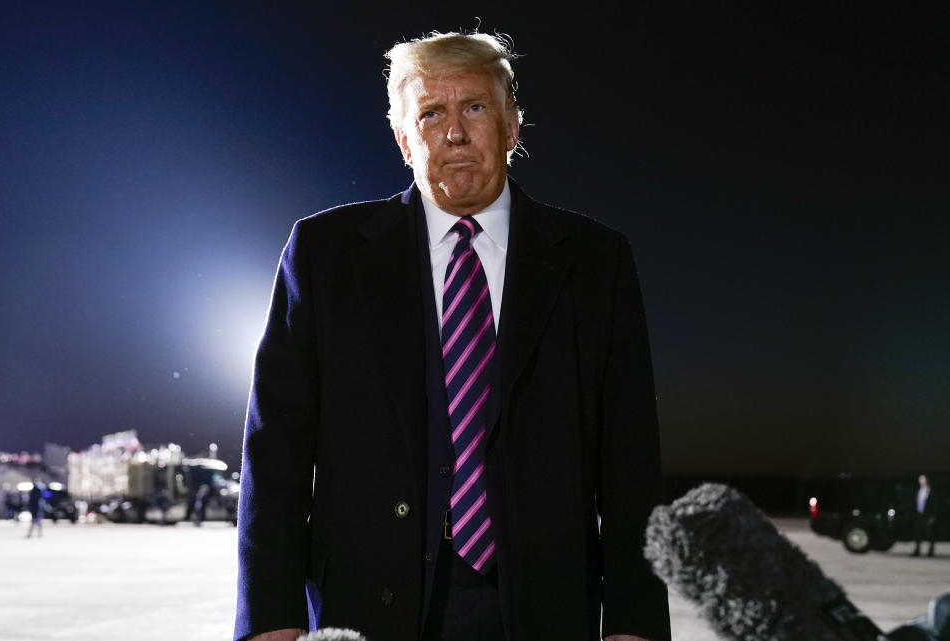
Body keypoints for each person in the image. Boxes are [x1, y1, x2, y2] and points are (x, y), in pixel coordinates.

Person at [235, 31, 670, 641]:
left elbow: (632, 469)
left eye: (475, 107)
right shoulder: (324, 255)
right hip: (366, 604)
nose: (455, 133)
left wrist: (636, 624)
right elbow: (274, 454)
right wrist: (270, 620)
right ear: (403, 139)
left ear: (512, 126)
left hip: (546, 609)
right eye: (431, 113)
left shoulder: (596, 264)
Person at [912, 474, 936, 557]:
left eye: (922, 479)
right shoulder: (919, 491)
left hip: (927, 515)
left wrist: (932, 516)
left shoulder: (931, 491)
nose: (920, 481)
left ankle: (931, 551)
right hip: (919, 514)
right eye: (920, 479)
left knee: (929, 533)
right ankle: (917, 550)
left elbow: (934, 505)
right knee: (917, 533)